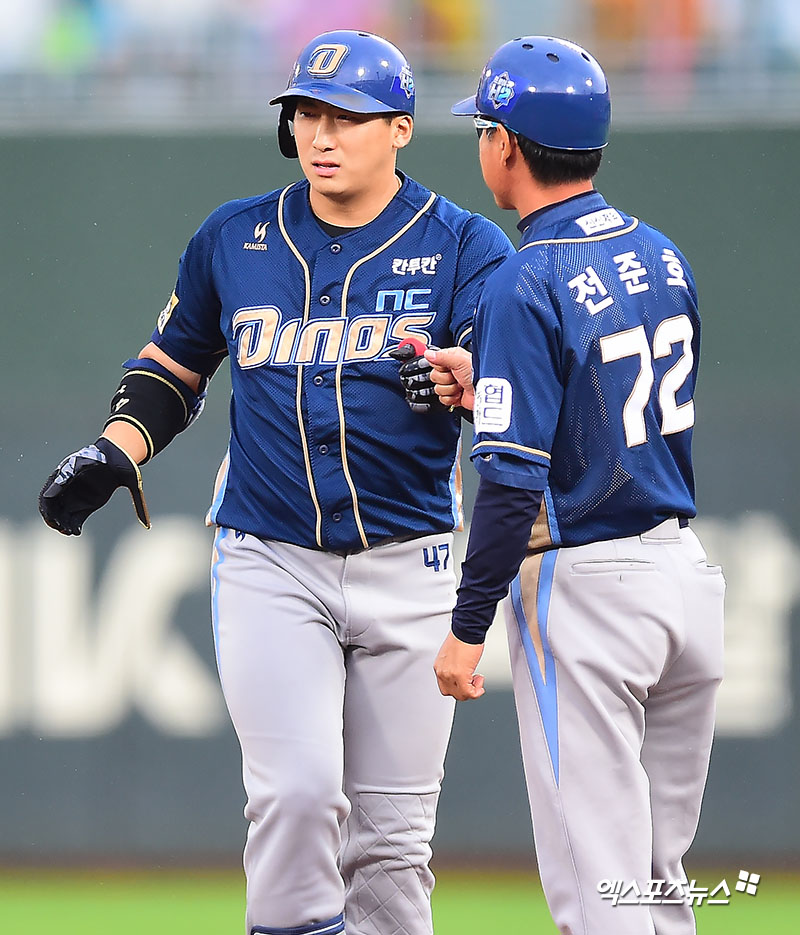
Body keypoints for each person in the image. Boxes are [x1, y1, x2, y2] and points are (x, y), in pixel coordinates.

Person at [37, 30, 513, 935]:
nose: (321, 135)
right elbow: (174, 365)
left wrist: (463, 374)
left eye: (347, 117)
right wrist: (117, 447)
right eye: (305, 114)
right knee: (295, 799)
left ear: (402, 128)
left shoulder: (462, 244)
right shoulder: (235, 236)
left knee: (392, 843)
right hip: (272, 556)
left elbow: (504, 374)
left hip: (411, 561)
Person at [429, 36, 725, 935]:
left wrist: (466, 627)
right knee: (655, 891)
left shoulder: (524, 278)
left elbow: (511, 484)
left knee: (602, 898)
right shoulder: (662, 253)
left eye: (484, 129)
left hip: (589, 590)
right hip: (685, 581)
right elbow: (607, 402)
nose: (482, 145)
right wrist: (497, 384)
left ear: (507, 146)